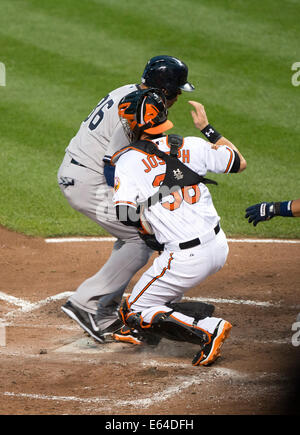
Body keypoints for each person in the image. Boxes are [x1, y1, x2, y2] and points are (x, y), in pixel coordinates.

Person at [57, 56, 195, 343]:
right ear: (164, 90)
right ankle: (86, 305)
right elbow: (112, 166)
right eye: (177, 89)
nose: (180, 95)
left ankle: (106, 311)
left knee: (134, 234)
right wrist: (131, 205)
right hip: (89, 180)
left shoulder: (133, 95)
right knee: (140, 237)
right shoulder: (133, 108)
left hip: (82, 173)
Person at [111, 88, 247, 365]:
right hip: (219, 247)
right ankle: (170, 322)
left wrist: (148, 223)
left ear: (136, 123)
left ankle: (208, 329)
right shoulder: (194, 145)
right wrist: (207, 129)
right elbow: (238, 162)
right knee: (150, 299)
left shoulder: (128, 160)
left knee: (133, 311)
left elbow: (125, 214)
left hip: (184, 259)